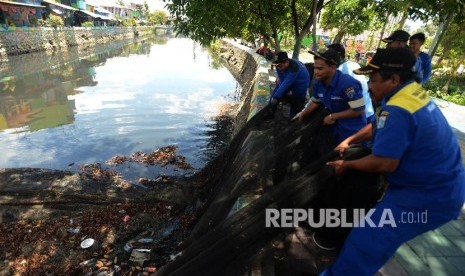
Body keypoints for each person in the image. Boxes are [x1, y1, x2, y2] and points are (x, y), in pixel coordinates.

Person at [322, 47, 465, 275]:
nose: (369, 85)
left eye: (373, 79)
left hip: (428, 195)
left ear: (394, 79)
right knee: (377, 240)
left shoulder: (398, 109)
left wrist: (346, 165)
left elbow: (384, 163)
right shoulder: (409, 94)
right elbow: (378, 125)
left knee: (367, 240)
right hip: (441, 185)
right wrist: (350, 140)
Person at [294, 48, 366, 144]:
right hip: (334, 129)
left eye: (320, 68)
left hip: (352, 132)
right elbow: (315, 101)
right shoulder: (317, 83)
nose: (316, 72)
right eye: (315, 67)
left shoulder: (348, 84)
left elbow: (360, 110)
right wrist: (302, 114)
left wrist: (333, 116)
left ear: (333, 67)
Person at [327, 43, 374, 123]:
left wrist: (332, 116)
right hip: (369, 112)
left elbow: (357, 105)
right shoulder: (353, 64)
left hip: (359, 116)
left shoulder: (341, 72)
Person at [267, 51, 310, 118]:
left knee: (297, 102)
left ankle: (293, 118)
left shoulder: (294, 68)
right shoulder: (278, 65)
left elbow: (286, 83)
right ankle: (270, 113)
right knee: (275, 94)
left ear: (287, 62)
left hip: (300, 83)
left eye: (280, 65)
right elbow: (281, 80)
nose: (278, 68)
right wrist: (275, 97)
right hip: (287, 79)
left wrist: (277, 97)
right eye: (277, 66)